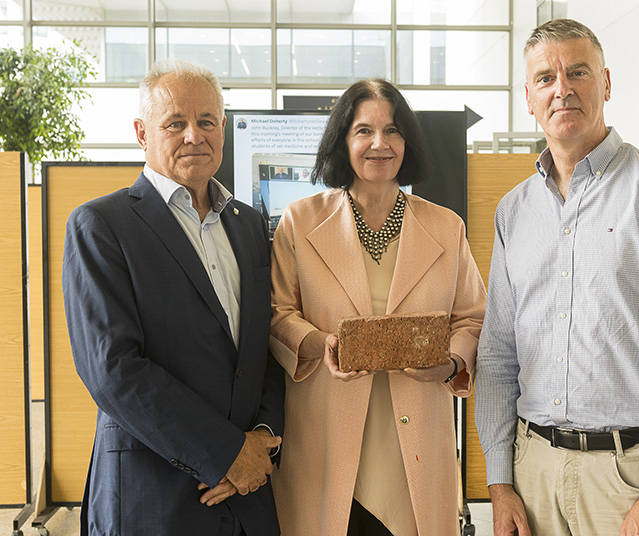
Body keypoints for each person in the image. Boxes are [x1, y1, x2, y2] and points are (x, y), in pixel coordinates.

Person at [474, 18, 639, 536]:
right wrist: (499, 481)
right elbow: (498, 354)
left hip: (629, 477)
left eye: (578, 72)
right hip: (531, 471)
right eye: (545, 78)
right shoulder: (513, 211)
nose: (561, 89)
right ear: (528, 97)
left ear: (606, 84)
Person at [62, 58, 285, 535]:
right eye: (175, 123)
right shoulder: (101, 225)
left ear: (222, 128)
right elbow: (113, 369)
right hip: (152, 497)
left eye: (206, 121)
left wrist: (262, 441)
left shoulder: (247, 225)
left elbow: (262, 345)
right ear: (142, 133)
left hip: (248, 496)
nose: (193, 135)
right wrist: (225, 453)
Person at [269, 79, 486, 536]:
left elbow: (472, 316)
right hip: (326, 435)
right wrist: (321, 342)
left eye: (392, 130)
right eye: (363, 130)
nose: (379, 144)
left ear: (408, 142)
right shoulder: (300, 221)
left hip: (416, 441)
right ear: (342, 141)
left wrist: (449, 363)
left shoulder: (446, 227)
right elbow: (277, 313)